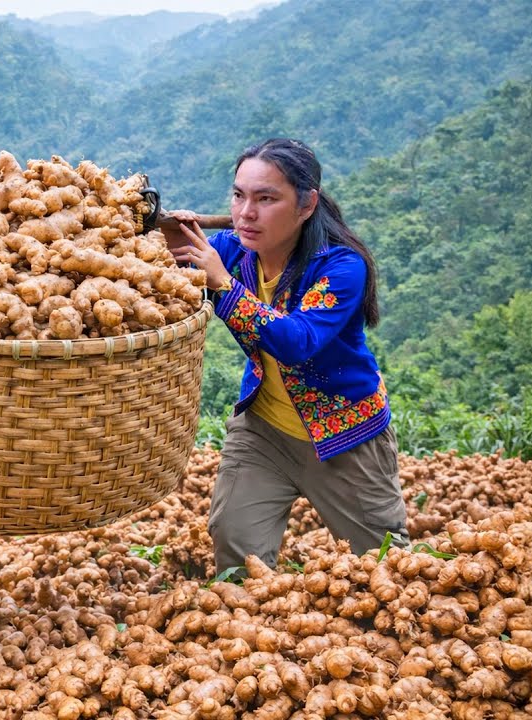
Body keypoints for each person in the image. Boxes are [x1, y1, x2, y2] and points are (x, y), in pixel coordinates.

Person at [164, 138, 408, 576]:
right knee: (236, 548)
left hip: (346, 439)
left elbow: (298, 342)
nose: (246, 213)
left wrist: (221, 283)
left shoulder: (342, 267)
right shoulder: (233, 252)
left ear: (307, 204)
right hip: (264, 431)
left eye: (266, 199)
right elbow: (156, 255)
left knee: (384, 566)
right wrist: (163, 229)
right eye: (239, 196)